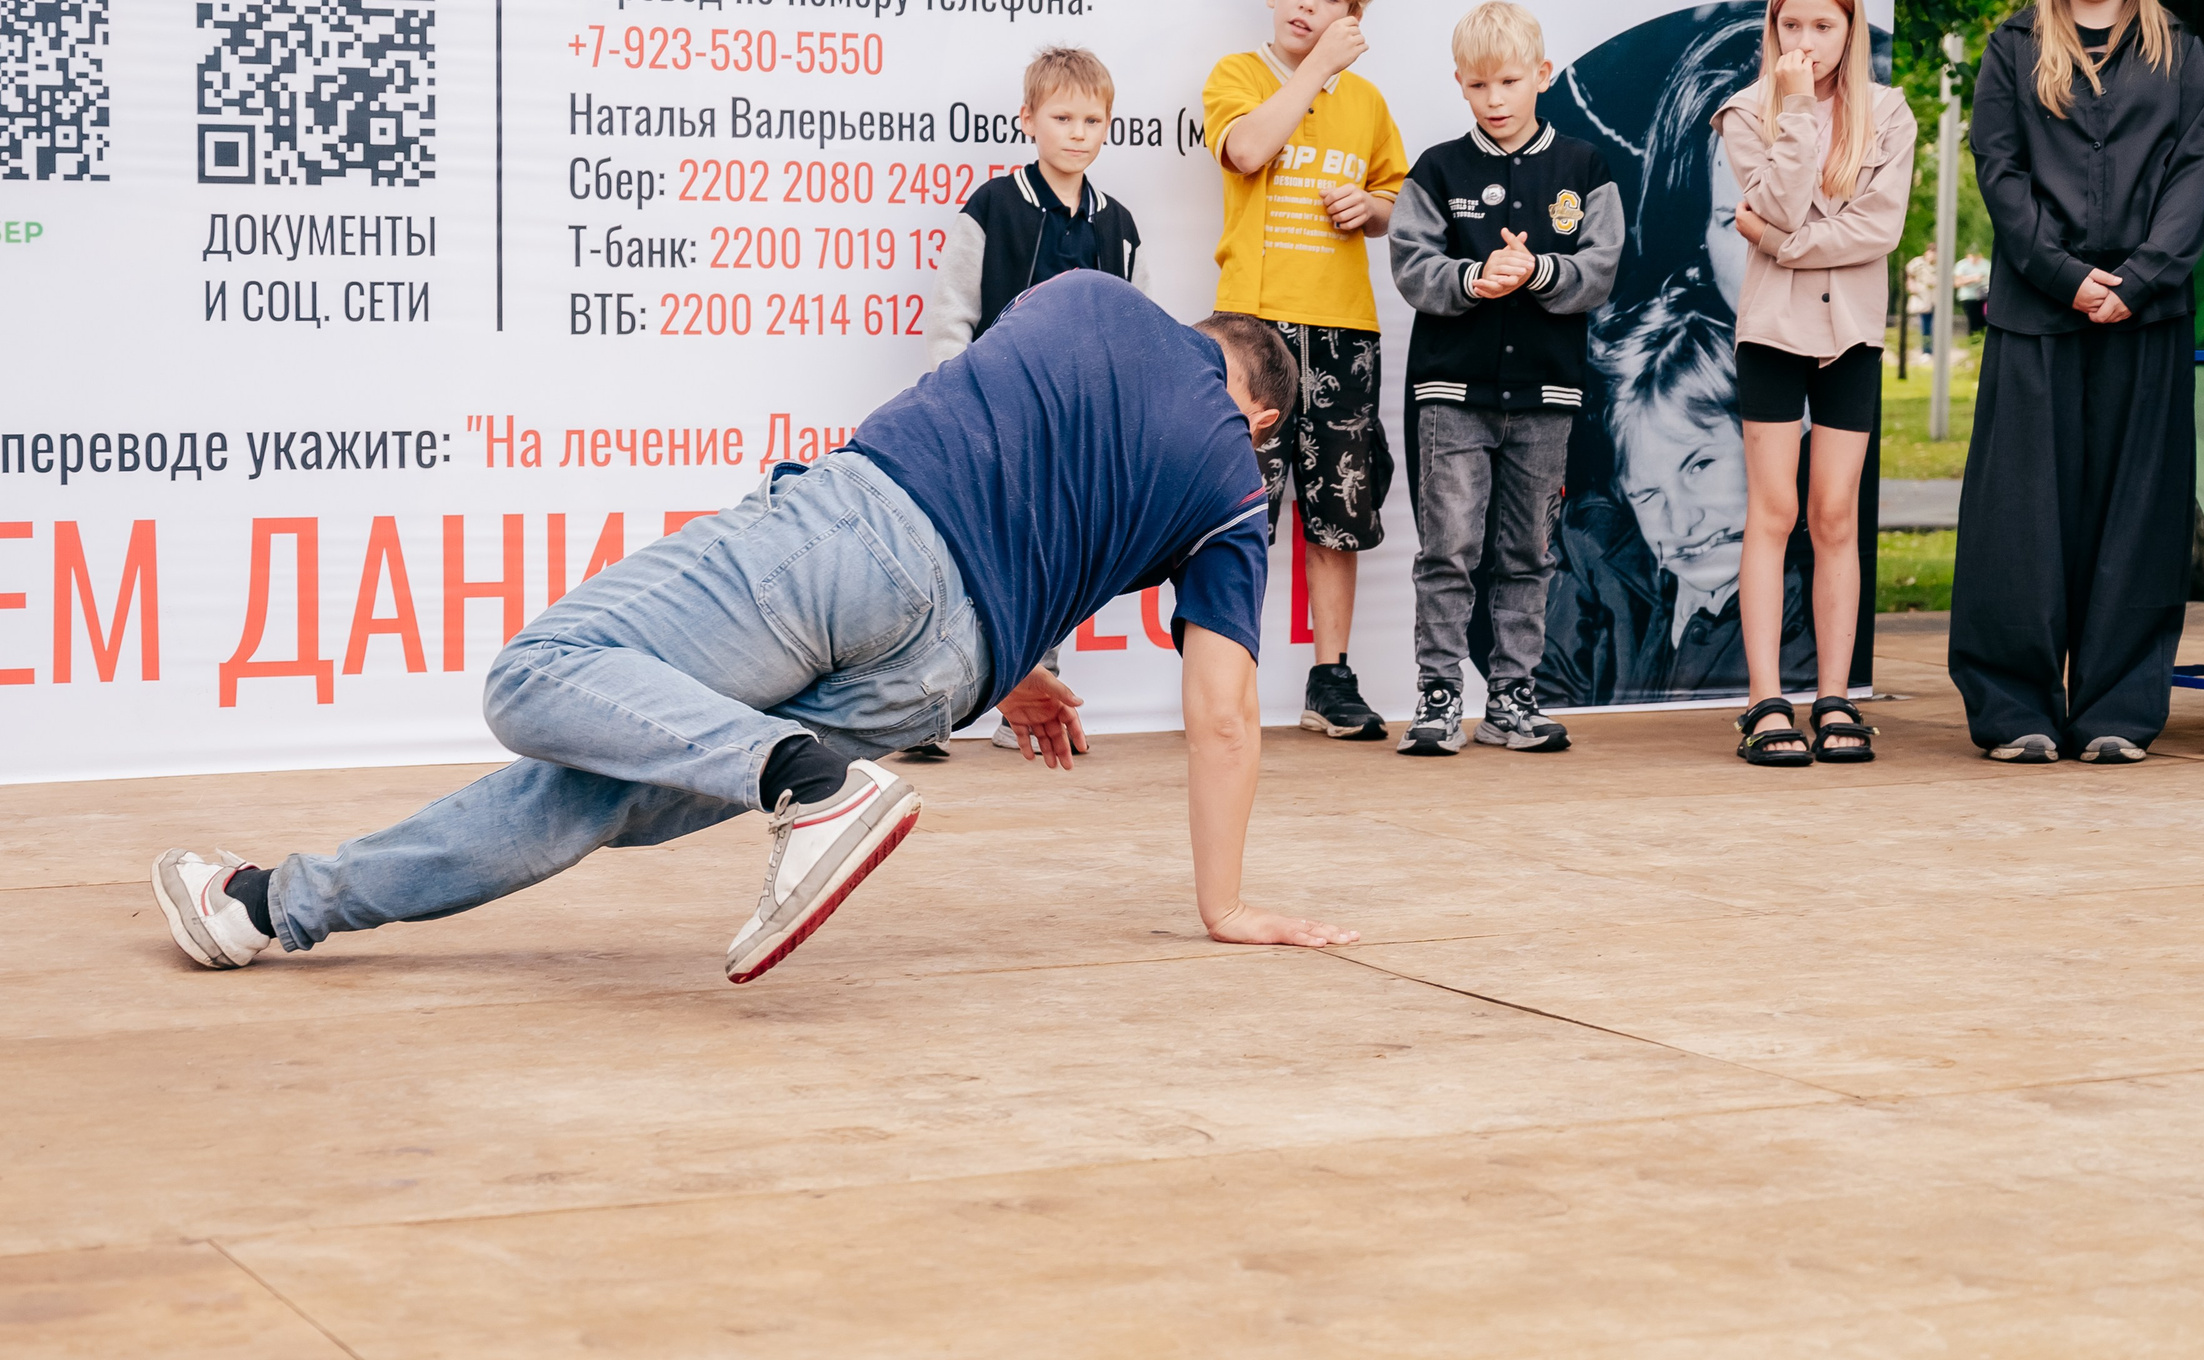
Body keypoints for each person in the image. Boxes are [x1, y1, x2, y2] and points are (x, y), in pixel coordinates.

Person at [151, 275, 1358, 978]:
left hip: (863, 535)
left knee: (538, 672)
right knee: (593, 774)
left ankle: (806, 786)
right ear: (1258, 418)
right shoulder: (1235, 490)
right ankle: (269, 905)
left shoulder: (1087, 295)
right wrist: (1223, 906)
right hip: (944, 677)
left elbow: (1014, 444)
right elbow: (1223, 716)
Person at [1951, 0, 2204, 765]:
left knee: (2136, 517)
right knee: (2020, 518)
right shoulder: (2011, 49)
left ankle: (2116, 708)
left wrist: (2135, 281)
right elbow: (2002, 177)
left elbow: (2191, 181)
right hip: (2039, 312)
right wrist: (2070, 279)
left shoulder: (2181, 54)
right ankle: (2013, 706)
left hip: (2148, 318)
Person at [1387, 0, 1624, 755]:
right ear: (1459, 83)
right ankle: (1437, 696)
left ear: (1543, 76)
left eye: (1510, 82)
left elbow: (1601, 267)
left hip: (1546, 400)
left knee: (1529, 553)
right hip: (1452, 396)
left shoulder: (1584, 167)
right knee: (1447, 549)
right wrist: (1471, 277)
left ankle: (1514, 697)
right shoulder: (1437, 168)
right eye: (1478, 86)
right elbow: (1412, 265)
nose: (1494, 100)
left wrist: (1541, 269)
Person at [1204, 0, 1410, 741]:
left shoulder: (1367, 104)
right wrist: (1318, 67)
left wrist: (1374, 210)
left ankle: (1332, 679)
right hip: (1253, 330)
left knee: (1338, 511)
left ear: (1352, 13)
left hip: (1343, 331)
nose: (1309, 5)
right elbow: (1248, 149)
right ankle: (1228, 681)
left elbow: (1397, 201)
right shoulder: (1237, 75)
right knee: (1244, 509)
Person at [915, 46, 1149, 758]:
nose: (1078, 132)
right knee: (970, 558)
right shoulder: (992, 206)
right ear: (1029, 120)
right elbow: (953, 313)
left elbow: (1136, 330)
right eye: (1062, 117)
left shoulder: (1121, 225)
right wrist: (958, 399)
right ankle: (927, 709)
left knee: (1050, 562)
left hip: (1075, 430)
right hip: (992, 416)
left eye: (1093, 119)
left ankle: (1034, 697)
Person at [1713, 0, 1915, 765]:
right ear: (1774, 29)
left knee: (1836, 515)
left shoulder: (1889, 114)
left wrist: (1779, 243)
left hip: (1853, 337)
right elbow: (1780, 198)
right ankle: (1766, 700)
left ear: (1850, 29)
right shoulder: (1745, 112)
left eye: (1823, 26)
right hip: (1772, 333)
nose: (1806, 41)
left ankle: (1835, 699)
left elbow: (1880, 231)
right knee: (1775, 512)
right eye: (1790, 26)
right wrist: (1795, 111)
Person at [1538, 294, 1816, 707]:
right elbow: (1548, 690)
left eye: (1700, 466)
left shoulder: (1803, 614)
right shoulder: (1593, 555)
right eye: (1646, 495)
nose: (1680, 523)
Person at [1954, 251, 1991, 336]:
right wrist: (1973, 279)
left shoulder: (1986, 264)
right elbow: (1957, 282)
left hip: (1983, 297)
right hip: (1968, 297)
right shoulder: (1962, 265)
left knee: (1984, 320)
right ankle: (1973, 338)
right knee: (1972, 321)